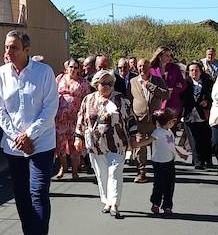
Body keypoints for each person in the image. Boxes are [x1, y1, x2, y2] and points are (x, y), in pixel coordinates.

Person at [0, 30, 60, 235]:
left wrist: (29, 135)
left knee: (38, 192)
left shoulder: (44, 72)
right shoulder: (0, 75)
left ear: (26, 50)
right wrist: (17, 137)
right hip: (14, 145)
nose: (8, 51)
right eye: (7, 47)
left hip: (42, 143)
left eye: (14, 47)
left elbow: (50, 108)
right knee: (21, 195)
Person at [75, 70, 134, 219]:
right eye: (104, 83)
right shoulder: (88, 100)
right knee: (102, 174)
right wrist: (78, 137)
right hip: (95, 144)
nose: (107, 86)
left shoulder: (121, 99)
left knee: (114, 172)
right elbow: (81, 119)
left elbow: (131, 119)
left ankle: (114, 204)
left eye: (110, 83)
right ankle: (107, 201)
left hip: (117, 142)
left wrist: (134, 136)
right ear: (96, 84)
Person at [53, 58, 91, 181]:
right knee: (59, 146)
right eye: (71, 67)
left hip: (75, 120)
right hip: (60, 119)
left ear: (79, 69)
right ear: (67, 67)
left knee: (75, 147)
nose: (73, 70)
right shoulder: (59, 79)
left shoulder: (83, 83)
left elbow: (87, 101)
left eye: (75, 67)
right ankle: (63, 167)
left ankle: (75, 172)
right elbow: (52, 95)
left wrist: (84, 117)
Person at [127, 57, 157, 181]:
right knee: (139, 145)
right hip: (139, 119)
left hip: (154, 120)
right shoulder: (133, 81)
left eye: (144, 66)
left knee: (156, 145)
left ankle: (159, 170)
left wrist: (152, 86)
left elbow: (166, 94)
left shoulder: (157, 80)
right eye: (139, 66)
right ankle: (141, 172)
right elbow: (129, 99)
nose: (142, 68)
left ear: (149, 67)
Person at [181, 61, 214, 170]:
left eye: (196, 70)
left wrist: (207, 102)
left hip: (204, 114)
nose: (194, 72)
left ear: (200, 71)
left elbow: (212, 97)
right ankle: (197, 161)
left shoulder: (208, 82)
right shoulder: (185, 83)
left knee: (205, 138)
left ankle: (208, 160)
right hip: (189, 114)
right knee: (193, 139)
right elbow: (181, 98)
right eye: (191, 70)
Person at [148, 110, 180, 216]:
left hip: (169, 161)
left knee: (170, 184)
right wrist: (137, 144)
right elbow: (148, 141)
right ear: (167, 122)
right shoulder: (157, 132)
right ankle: (155, 203)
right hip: (158, 162)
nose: (174, 123)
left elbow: (172, 146)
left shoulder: (169, 132)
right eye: (173, 121)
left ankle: (167, 206)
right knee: (159, 184)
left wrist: (180, 153)